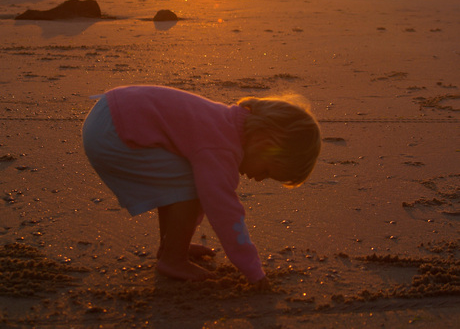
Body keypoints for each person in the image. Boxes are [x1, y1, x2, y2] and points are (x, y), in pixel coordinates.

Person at [82, 85, 321, 288]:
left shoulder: (225, 122)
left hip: (110, 115)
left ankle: (172, 248)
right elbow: (224, 211)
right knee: (191, 183)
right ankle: (173, 258)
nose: (259, 179)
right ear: (266, 142)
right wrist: (253, 270)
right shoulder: (221, 147)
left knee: (183, 179)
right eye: (267, 172)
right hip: (114, 133)